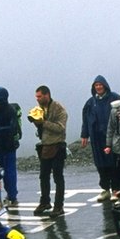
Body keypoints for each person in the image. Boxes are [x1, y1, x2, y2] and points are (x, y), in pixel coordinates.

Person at [29, 85, 68, 217]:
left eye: (39, 96)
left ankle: (59, 206)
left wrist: (43, 123)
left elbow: (61, 128)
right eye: (36, 97)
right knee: (43, 176)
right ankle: (45, 201)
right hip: (45, 145)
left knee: (58, 176)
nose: (37, 99)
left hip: (58, 145)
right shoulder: (40, 109)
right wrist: (36, 122)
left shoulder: (59, 109)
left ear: (47, 95)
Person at [81, 75, 120, 202]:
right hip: (96, 138)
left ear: (105, 85)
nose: (98, 87)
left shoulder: (114, 98)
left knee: (113, 163)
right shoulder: (90, 102)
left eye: (100, 85)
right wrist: (84, 134)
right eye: (96, 85)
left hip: (111, 137)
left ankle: (116, 189)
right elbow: (85, 120)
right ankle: (105, 189)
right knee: (100, 164)